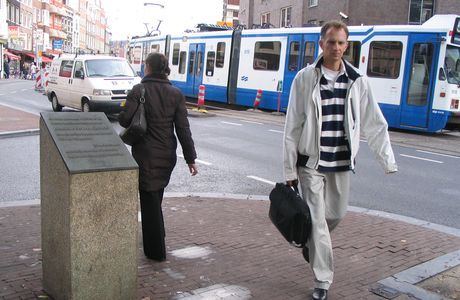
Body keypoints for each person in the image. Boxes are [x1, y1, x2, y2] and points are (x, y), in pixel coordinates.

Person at [283, 20, 398, 300]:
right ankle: (322, 280)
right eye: (330, 42)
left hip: (342, 162)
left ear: (347, 46)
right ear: (321, 44)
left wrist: (387, 160)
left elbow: (374, 122)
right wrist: (289, 167)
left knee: (335, 215)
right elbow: (292, 124)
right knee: (319, 222)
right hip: (310, 162)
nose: (335, 47)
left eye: (340, 42)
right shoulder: (305, 78)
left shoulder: (357, 80)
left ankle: (312, 244)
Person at [119, 52, 198, 261]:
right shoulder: (176, 94)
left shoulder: (139, 90)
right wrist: (190, 158)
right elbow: (183, 129)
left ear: (148, 67)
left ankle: (156, 251)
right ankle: (158, 236)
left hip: (145, 155)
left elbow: (125, 120)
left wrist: (126, 105)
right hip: (167, 155)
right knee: (155, 198)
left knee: (149, 200)